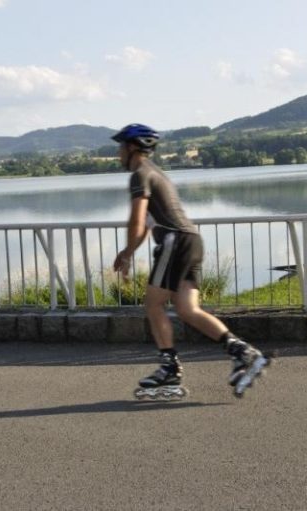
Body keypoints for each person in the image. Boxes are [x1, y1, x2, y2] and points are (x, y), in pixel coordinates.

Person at [111, 123, 269, 398]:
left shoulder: (140, 175)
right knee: (186, 309)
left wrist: (126, 254)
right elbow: (149, 223)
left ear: (132, 147)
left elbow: (137, 220)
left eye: (120, 148)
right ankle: (244, 352)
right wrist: (131, 250)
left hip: (175, 241)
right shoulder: (157, 174)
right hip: (191, 240)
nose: (118, 154)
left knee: (153, 303)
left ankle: (169, 367)